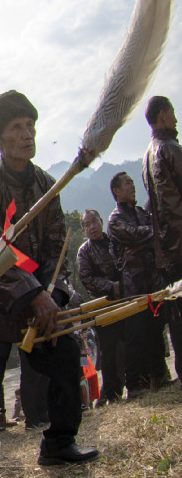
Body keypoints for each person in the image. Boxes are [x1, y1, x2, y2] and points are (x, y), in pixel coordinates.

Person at [0, 90, 99, 478]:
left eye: (30, 126)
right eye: (17, 127)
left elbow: (54, 247)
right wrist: (32, 293)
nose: (28, 134)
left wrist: (49, 295)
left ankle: (59, 443)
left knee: (65, 359)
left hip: (39, 297)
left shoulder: (48, 184)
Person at [107, 171, 170, 394]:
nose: (132, 185)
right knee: (134, 333)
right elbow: (132, 235)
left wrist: (145, 240)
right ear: (116, 190)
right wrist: (147, 238)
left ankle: (158, 375)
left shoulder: (142, 213)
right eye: (127, 183)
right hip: (132, 285)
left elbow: (156, 235)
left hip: (152, 281)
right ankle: (134, 384)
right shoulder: (115, 219)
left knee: (155, 329)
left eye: (132, 182)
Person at [141, 95, 182, 383]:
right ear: (164, 115)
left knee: (178, 316)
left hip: (166, 252)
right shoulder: (169, 148)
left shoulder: (146, 158)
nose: (177, 120)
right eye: (174, 113)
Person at [76, 209, 125, 403]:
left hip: (126, 300)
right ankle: (111, 393)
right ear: (83, 230)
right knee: (108, 351)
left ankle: (137, 382)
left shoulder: (115, 241)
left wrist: (125, 285)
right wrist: (111, 287)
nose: (92, 226)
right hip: (103, 306)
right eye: (87, 224)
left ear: (101, 221)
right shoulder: (84, 251)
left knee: (129, 344)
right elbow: (87, 278)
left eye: (94, 221)